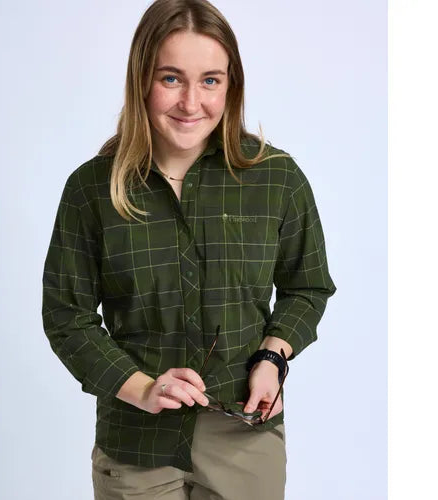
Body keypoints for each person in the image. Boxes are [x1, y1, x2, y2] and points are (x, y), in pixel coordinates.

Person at [42, 0, 337, 498]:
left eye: (210, 80)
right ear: (141, 81)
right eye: (171, 78)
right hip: (135, 443)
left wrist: (273, 357)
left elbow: (307, 287)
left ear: (231, 86)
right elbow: (67, 316)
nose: (191, 102)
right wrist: (141, 387)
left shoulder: (276, 178)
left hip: (245, 434)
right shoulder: (92, 189)